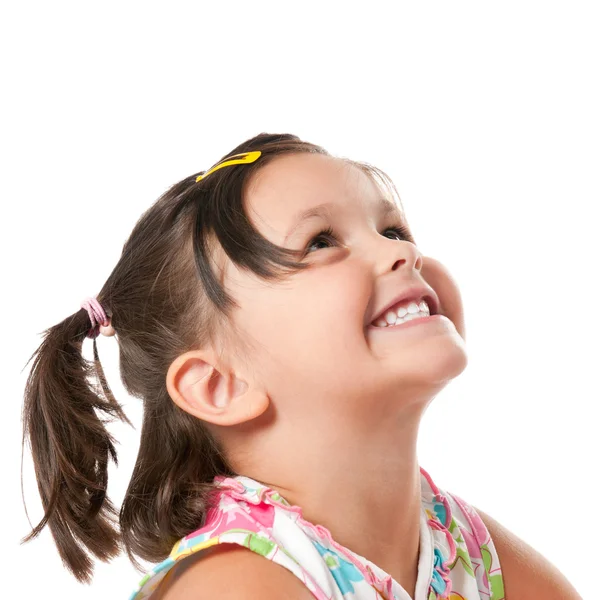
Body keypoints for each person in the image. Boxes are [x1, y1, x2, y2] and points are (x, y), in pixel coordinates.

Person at [20, 133, 580, 600]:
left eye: (392, 230)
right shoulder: (234, 584)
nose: (402, 253)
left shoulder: (465, 551)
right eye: (320, 242)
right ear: (220, 385)